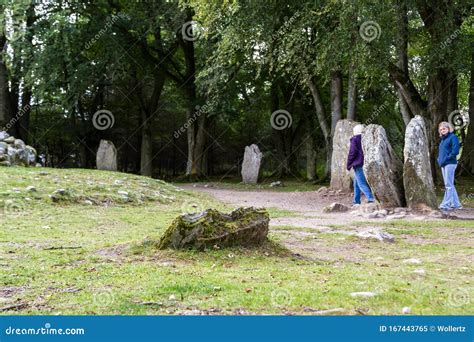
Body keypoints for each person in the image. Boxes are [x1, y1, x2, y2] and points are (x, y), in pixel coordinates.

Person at [346, 124, 375, 206]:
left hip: (358, 164)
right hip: (365, 163)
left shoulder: (355, 139)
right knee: (356, 183)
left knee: (361, 183)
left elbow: (352, 153)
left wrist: (348, 165)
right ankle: (356, 201)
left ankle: (371, 198)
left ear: (355, 132)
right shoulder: (366, 138)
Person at [437, 121, 462, 211]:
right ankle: (456, 204)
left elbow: (455, 151)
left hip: (450, 163)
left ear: (448, 129)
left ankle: (445, 204)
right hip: (443, 164)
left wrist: (447, 158)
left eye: (444, 128)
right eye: (441, 129)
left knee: (448, 185)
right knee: (449, 184)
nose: (442, 130)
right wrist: (439, 160)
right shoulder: (443, 140)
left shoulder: (453, 137)